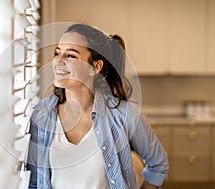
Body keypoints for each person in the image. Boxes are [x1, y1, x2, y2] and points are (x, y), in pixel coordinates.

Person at [26, 24, 169, 189]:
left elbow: (158, 164)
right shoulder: (41, 115)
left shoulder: (123, 115)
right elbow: (34, 181)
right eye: (57, 53)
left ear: (95, 67)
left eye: (70, 55)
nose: (58, 60)